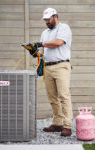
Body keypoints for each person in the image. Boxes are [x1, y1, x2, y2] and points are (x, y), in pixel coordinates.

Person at [38, 8, 73, 136]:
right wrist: (35, 51)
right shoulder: (44, 33)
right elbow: (41, 50)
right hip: (48, 67)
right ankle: (58, 123)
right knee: (52, 97)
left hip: (61, 66)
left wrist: (42, 44)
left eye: (48, 19)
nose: (47, 21)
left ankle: (67, 125)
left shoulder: (64, 28)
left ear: (55, 16)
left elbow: (58, 42)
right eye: (45, 19)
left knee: (64, 96)